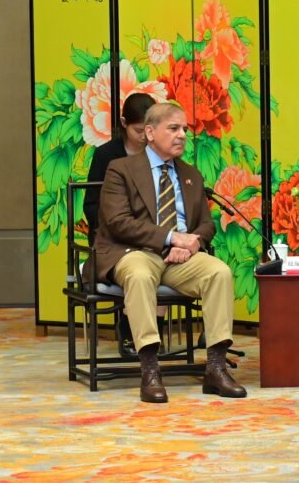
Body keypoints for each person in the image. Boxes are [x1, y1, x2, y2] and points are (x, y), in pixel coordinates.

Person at [95, 102, 246, 403]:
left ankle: (215, 368)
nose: (181, 136)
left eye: (185, 130)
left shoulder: (190, 174)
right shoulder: (120, 170)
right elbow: (118, 222)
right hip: (133, 251)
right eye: (173, 128)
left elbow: (205, 224)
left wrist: (191, 243)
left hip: (180, 257)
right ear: (150, 132)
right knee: (138, 275)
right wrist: (170, 238)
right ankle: (150, 370)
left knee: (219, 272)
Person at [84, 92, 161, 357]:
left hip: (150, 234)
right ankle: (131, 335)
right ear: (123, 123)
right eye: (139, 130)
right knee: (136, 265)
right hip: (115, 237)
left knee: (160, 256)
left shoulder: (160, 153)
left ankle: (153, 336)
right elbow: (91, 205)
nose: (144, 136)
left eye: (150, 130)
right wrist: (115, 229)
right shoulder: (107, 156)